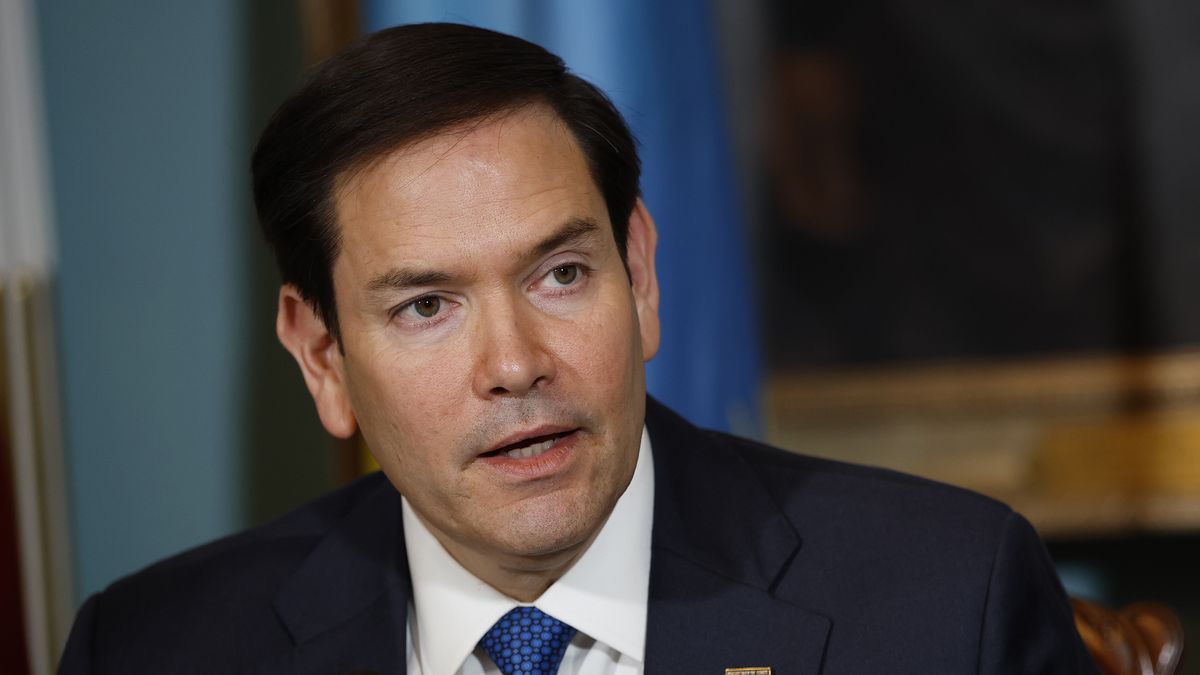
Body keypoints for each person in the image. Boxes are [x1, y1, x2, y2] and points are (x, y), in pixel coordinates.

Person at [58, 23, 1097, 675]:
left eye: (559, 275)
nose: (514, 364)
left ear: (638, 275)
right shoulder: (157, 647)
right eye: (426, 305)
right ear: (323, 356)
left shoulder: (944, 603)